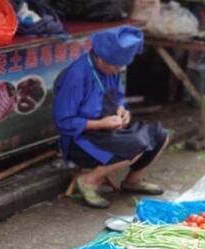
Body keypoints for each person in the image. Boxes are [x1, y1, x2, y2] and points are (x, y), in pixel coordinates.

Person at [53, 26, 169, 208]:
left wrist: (123, 111)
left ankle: (132, 181)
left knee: (159, 134)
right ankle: (88, 180)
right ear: (99, 57)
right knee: (137, 144)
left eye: (121, 66)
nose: (118, 70)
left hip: (108, 130)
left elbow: (119, 97)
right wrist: (100, 124)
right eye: (115, 66)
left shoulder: (111, 70)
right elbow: (64, 121)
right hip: (80, 140)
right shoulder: (77, 75)